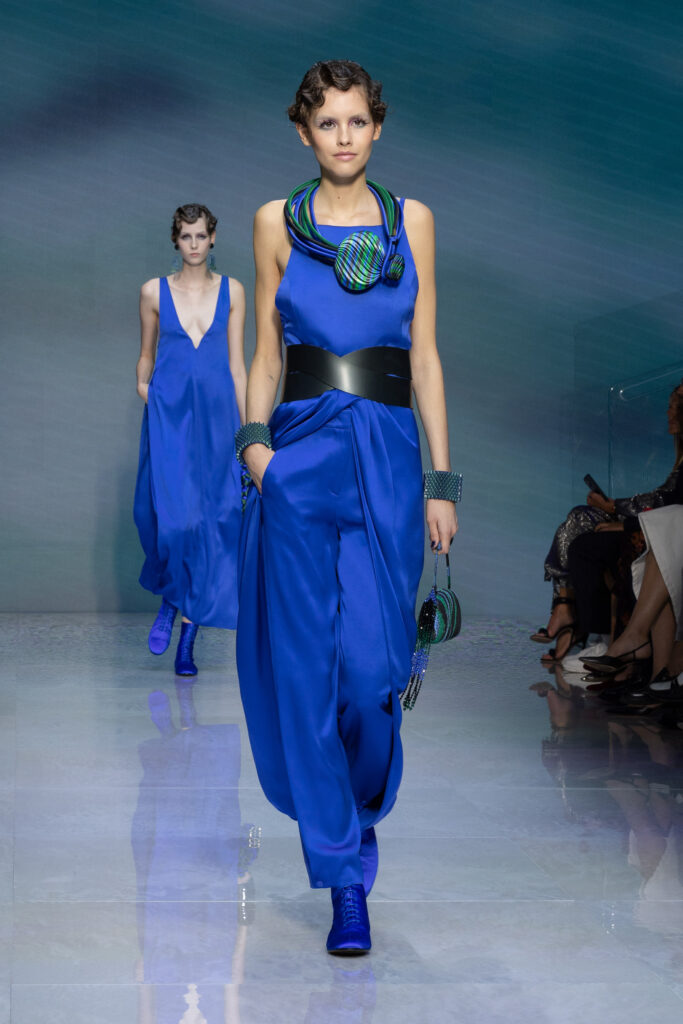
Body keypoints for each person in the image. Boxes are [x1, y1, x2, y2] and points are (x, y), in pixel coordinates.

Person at [235, 60, 459, 954]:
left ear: (377, 127)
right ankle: (341, 879)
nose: (342, 136)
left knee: (372, 673)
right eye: (326, 122)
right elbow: (265, 350)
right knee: (306, 671)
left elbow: (426, 356)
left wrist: (441, 482)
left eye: (356, 121)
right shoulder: (273, 221)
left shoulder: (414, 222)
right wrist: (256, 450)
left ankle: (357, 818)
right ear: (303, 132)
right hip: (297, 459)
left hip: (388, 460)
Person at [134, 204, 247, 674]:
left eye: (201, 235)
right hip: (173, 417)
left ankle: (186, 639)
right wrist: (147, 391)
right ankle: (170, 595)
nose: (194, 244)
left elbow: (238, 366)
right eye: (186, 236)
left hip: (221, 421)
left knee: (215, 523)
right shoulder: (153, 292)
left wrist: (249, 431)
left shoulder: (233, 291)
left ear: (213, 238)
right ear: (175, 240)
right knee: (172, 520)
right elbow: (146, 355)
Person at [531, 384, 683, 663]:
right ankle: (564, 608)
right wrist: (616, 509)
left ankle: (591, 629)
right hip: (653, 521)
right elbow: (663, 499)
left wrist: (618, 513)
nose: (667, 412)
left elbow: (668, 503)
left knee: (585, 546)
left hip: (660, 527)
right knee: (578, 518)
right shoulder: (680, 458)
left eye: (672, 406)